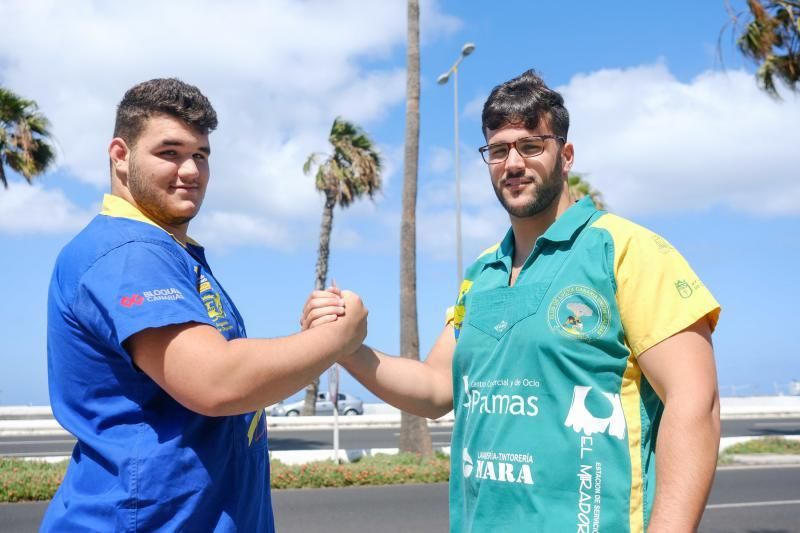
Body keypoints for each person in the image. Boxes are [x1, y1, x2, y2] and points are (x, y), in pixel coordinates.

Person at [302, 70, 721, 532]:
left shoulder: (625, 250)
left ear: (566, 155)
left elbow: (694, 400)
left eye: (531, 146)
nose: (513, 163)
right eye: (498, 150)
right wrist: (346, 348)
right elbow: (437, 389)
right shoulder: (481, 273)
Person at [43, 78, 367, 531]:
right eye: (169, 152)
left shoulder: (169, 253)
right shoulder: (128, 253)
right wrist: (336, 339)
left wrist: (314, 341)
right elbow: (215, 381)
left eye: (200, 155)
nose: (191, 170)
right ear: (120, 155)